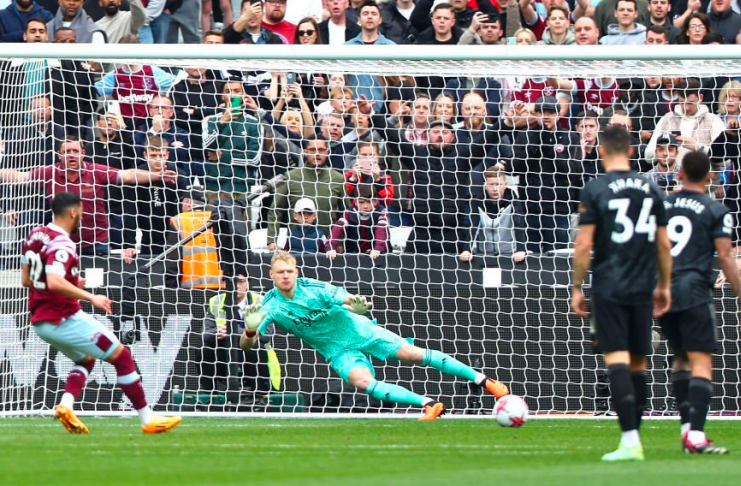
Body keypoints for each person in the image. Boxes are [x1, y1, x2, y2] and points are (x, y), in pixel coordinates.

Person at [239, 251, 511, 421]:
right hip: (338, 350)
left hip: (361, 330)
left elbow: (346, 299)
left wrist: (354, 305)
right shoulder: (268, 306)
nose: (286, 276)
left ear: (296, 272)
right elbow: (246, 346)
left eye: (290, 271)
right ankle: (428, 404)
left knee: (412, 354)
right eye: (281, 272)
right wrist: (250, 330)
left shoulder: (315, 288)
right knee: (362, 382)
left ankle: (485, 381)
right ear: (271, 274)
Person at [21, 191, 181, 434]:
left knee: (85, 358)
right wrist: (90, 296)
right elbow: (53, 281)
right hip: (63, 317)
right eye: (82, 212)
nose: (82, 217)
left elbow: (26, 279)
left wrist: (72, 281)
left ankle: (66, 405)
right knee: (122, 356)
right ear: (73, 212)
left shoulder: (36, 234)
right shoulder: (64, 243)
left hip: (41, 321)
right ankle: (148, 418)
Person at [571, 125, 673, 462]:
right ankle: (635, 438)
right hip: (643, 282)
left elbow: (584, 244)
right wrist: (664, 284)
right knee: (639, 365)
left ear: (601, 151)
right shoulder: (650, 186)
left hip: (610, 283)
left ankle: (629, 441)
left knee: (615, 359)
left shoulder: (596, 187)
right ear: (631, 151)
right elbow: (663, 243)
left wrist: (576, 286)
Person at [659, 150, 739, 454]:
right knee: (702, 362)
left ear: (679, 173)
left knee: (680, 358)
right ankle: (696, 435)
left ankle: (685, 430)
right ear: (709, 176)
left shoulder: (662, 204)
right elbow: (726, 258)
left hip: (663, 290)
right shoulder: (715, 209)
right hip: (694, 291)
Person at [0, 137, 177, 256]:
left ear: (83, 153)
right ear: (59, 155)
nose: (71, 155)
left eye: (76, 151)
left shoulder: (95, 171)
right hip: (62, 244)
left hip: (97, 244)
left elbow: (128, 175)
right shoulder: (49, 172)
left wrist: (158, 175)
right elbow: (20, 176)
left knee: (99, 288)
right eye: (67, 151)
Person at [459, 169, 515, 261]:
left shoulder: (513, 201)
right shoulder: (478, 202)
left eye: (498, 184)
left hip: (510, 254)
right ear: (485, 186)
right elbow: (473, 226)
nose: (494, 189)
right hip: (484, 254)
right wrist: (466, 250)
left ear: (505, 184)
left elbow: (519, 225)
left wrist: (521, 250)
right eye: (491, 185)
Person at [328, 185, 389, 259]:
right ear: (356, 202)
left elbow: (381, 229)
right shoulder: (349, 212)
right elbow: (338, 227)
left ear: (375, 201)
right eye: (361, 202)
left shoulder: (382, 211)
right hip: (353, 252)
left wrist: (378, 247)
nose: (365, 206)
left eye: (369, 202)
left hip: (376, 252)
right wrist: (330, 246)